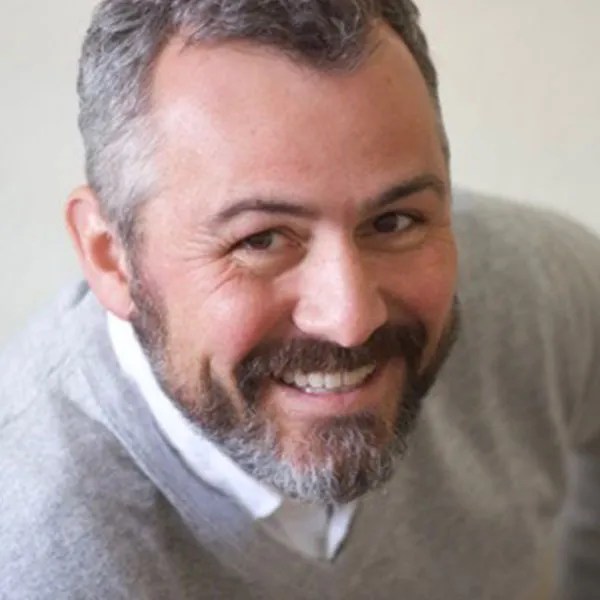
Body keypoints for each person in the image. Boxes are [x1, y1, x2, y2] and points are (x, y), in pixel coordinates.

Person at [1, 0, 599, 598]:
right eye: (260, 239)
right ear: (111, 256)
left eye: (393, 221)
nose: (350, 320)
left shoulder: (536, 291)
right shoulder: (32, 555)